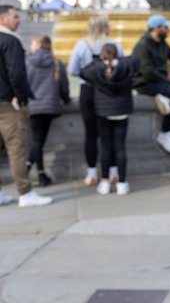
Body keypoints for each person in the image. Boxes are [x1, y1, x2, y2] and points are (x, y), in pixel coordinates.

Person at [0, 5, 53, 207]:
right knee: (16, 148)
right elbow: (16, 74)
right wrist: (21, 98)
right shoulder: (11, 41)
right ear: (3, 19)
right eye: (15, 17)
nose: (19, 20)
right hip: (8, 104)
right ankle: (25, 192)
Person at [68, 15, 124, 186]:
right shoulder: (115, 45)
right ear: (104, 27)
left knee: (90, 133)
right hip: (108, 91)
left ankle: (92, 172)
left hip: (88, 91)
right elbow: (123, 66)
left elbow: (72, 70)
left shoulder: (82, 45)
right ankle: (113, 171)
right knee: (110, 133)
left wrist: (89, 75)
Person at [80, 44, 136, 195]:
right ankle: (122, 184)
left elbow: (82, 73)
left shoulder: (97, 68)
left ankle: (104, 183)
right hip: (122, 112)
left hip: (103, 112)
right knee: (120, 147)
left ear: (102, 55)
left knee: (105, 147)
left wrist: (98, 61)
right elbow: (135, 65)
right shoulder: (125, 66)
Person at [131, 14, 170, 155]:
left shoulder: (162, 43)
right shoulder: (142, 46)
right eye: (165, 27)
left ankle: (164, 97)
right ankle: (165, 132)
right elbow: (147, 72)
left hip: (159, 81)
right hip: (145, 84)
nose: (168, 29)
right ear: (156, 28)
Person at [25, 35, 70, 187]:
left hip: (33, 106)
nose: (31, 46)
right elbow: (64, 84)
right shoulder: (56, 62)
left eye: (32, 43)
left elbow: (22, 82)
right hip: (51, 107)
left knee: (37, 140)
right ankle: (34, 170)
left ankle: (37, 172)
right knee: (39, 140)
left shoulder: (28, 61)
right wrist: (66, 99)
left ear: (38, 45)